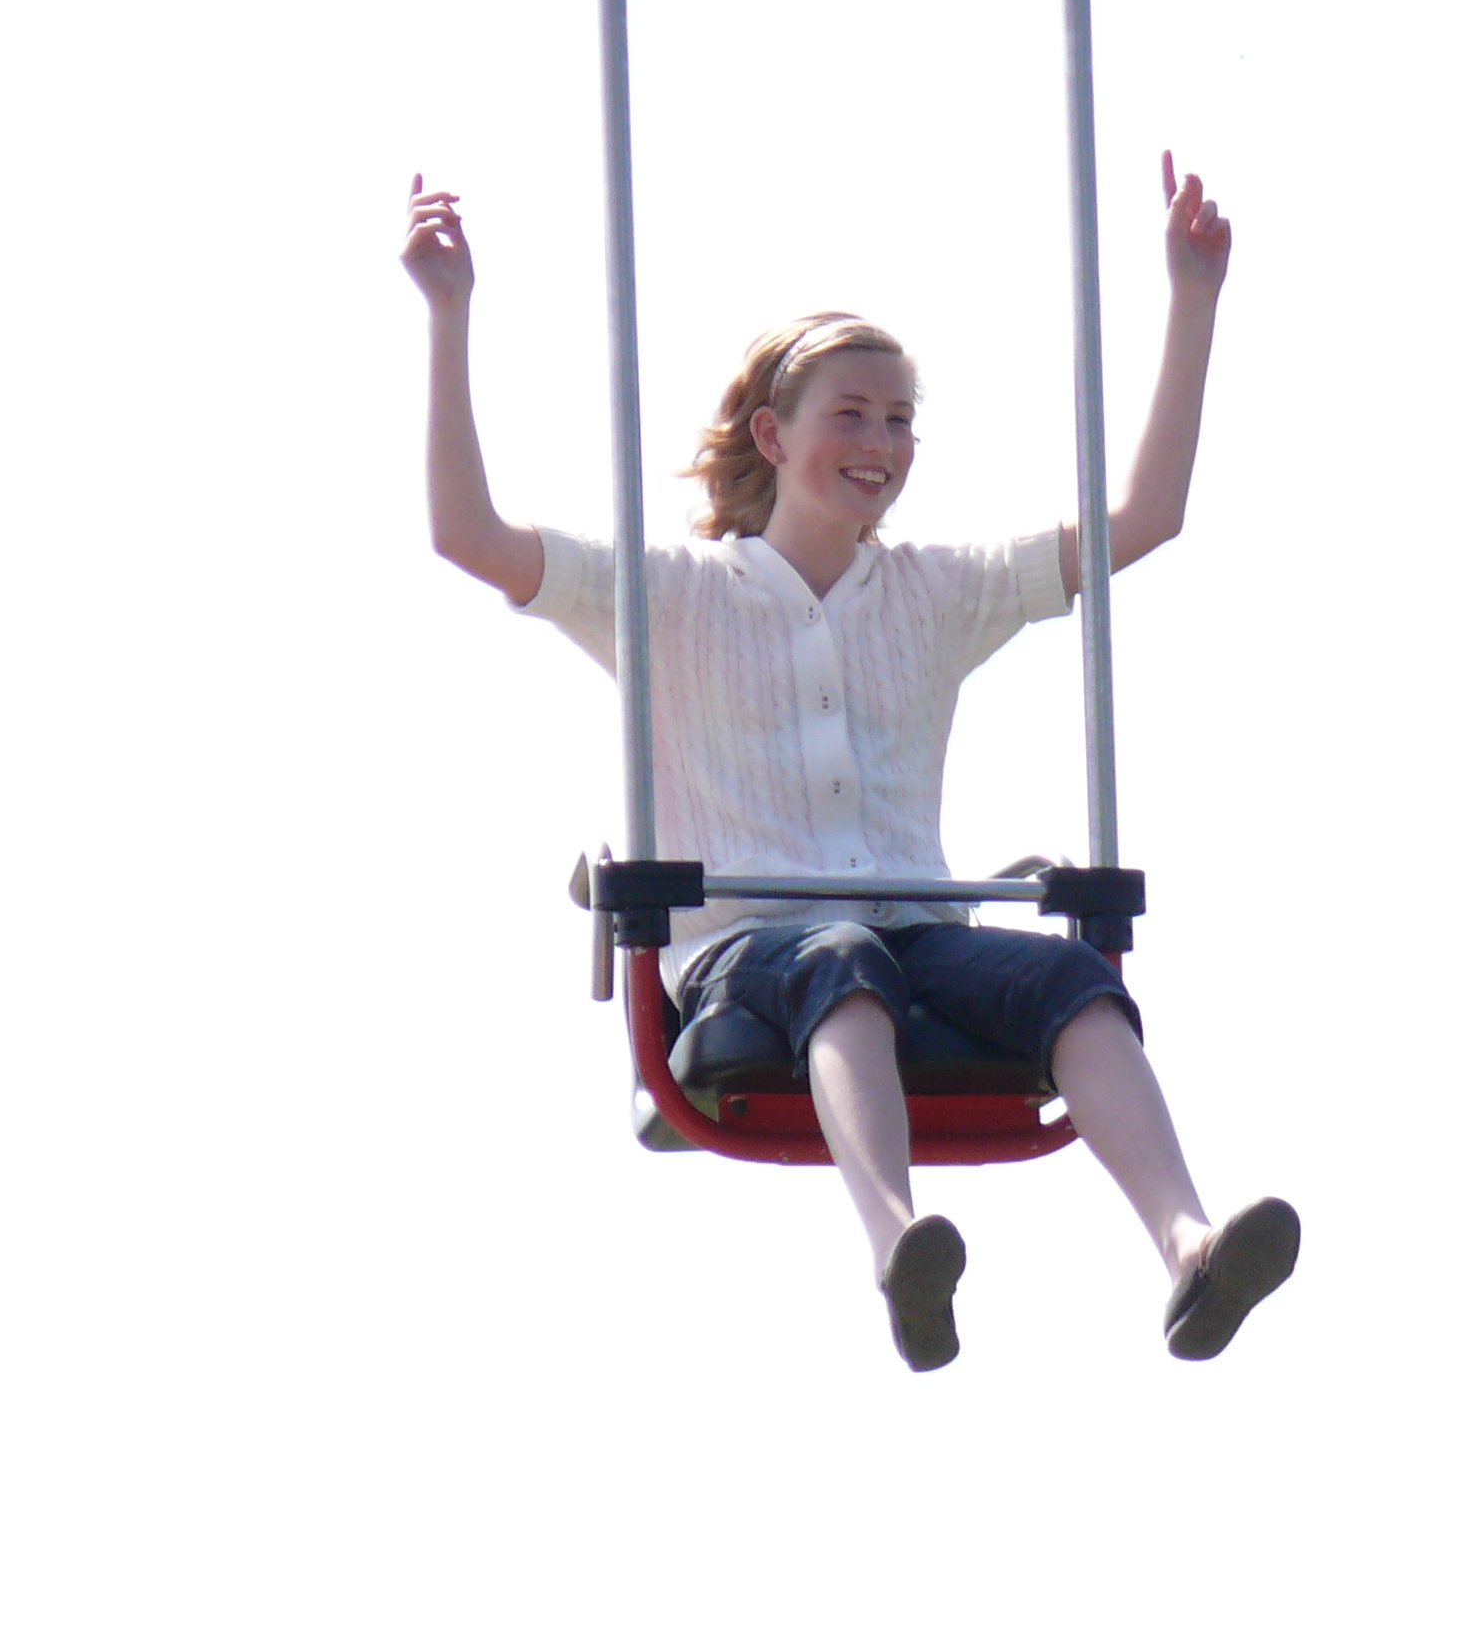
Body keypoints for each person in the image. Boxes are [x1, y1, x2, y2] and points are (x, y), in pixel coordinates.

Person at [400, 158, 1298, 1374]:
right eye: (853, 415)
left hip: (915, 932)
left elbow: (1141, 519)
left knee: (1065, 979)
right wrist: (449, 314)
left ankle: (1189, 1246)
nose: (881, 443)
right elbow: (468, 534)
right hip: (750, 954)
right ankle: (899, 1243)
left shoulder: (936, 591)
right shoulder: (666, 595)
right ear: (774, 436)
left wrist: (1193, 299)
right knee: (841, 957)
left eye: (900, 420)